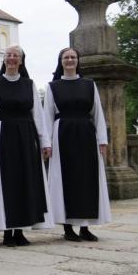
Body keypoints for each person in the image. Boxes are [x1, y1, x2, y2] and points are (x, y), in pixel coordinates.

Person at [0, 44, 53, 247]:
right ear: (3, 60)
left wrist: (45, 142)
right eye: (8, 55)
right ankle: (6, 231)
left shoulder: (29, 84)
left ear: (21, 61)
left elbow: (38, 116)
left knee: (25, 181)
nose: (11, 58)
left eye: (15, 56)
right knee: (6, 182)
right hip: (2, 135)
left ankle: (20, 230)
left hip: (26, 135)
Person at [43, 47, 110, 241]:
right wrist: (46, 143)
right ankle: (67, 228)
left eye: (73, 57)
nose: (70, 60)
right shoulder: (52, 87)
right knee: (65, 180)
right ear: (61, 61)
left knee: (87, 180)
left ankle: (85, 227)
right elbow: (46, 115)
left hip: (86, 135)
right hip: (61, 135)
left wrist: (102, 140)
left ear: (77, 61)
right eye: (66, 57)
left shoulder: (89, 85)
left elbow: (98, 113)